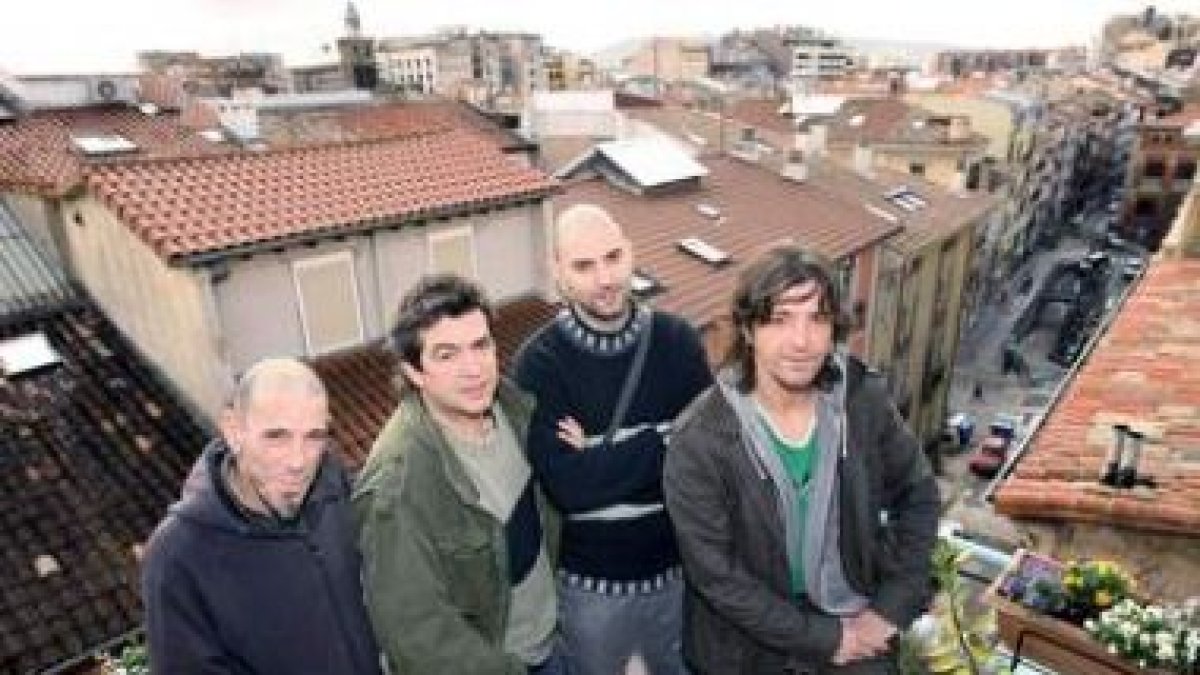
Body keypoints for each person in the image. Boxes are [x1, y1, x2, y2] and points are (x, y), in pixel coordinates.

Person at [663, 246, 940, 674]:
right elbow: (717, 575)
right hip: (746, 653)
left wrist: (890, 608)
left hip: (855, 621)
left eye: (818, 318)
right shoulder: (701, 439)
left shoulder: (861, 401)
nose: (801, 341)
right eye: (779, 320)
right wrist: (825, 640)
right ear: (749, 330)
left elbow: (918, 494)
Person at [514, 204, 713, 675]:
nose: (605, 277)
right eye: (584, 266)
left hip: (679, 580)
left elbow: (706, 463)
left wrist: (603, 451)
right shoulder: (540, 365)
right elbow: (570, 489)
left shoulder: (678, 343)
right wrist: (664, 439)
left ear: (631, 251)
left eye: (613, 256)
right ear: (558, 273)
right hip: (588, 594)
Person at [354, 274, 564, 675]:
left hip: (554, 644)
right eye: (447, 355)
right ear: (414, 372)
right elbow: (419, 636)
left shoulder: (519, 410)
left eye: (481, 345)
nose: (473, 368)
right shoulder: (395, 485)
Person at [141, 358, 382, 674]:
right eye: (276, 437)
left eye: (313, 436)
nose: (298, 461)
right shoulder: (177, 557)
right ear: (233, 430)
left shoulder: (336, 489)